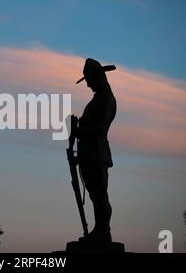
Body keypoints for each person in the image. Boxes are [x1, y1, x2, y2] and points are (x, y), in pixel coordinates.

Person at [73, 58, 117, 243]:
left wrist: (78, 130)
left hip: (96, 154)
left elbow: (98, 128)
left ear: (97, 77)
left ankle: (102, 231)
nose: (88, 84)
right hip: (90, 154)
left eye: (89, 79)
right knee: (95, 194)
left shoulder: (105, 99)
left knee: (99, 194)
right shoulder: (99, 98)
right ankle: (99, 230)